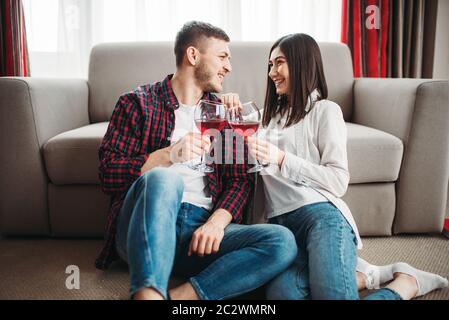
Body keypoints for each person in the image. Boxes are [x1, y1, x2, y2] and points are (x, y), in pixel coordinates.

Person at [95, 21, 297, 300]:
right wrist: (167, 155)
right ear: (193, 56)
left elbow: (239, 182)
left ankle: (181, 296)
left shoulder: (222, 114)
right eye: (223, 57)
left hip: (198, 233)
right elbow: (107, 174)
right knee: (164, 178)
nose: (229, 67)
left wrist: (215, 223)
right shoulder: (137, 103)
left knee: (282, 242)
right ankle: (148, 294)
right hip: (141, 229)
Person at [245, 33, 448, 300]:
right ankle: (362, 276)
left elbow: (338, 180)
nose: (272, 72)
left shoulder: (325, 111)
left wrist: (282, 159)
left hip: (321, 218)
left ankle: (405, 284)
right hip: (282, 228)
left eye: (279, 63)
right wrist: (227, 103)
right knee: (283, 295)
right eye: (270, 65)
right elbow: (230, 129)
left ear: (301, 63)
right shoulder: (265, 118)